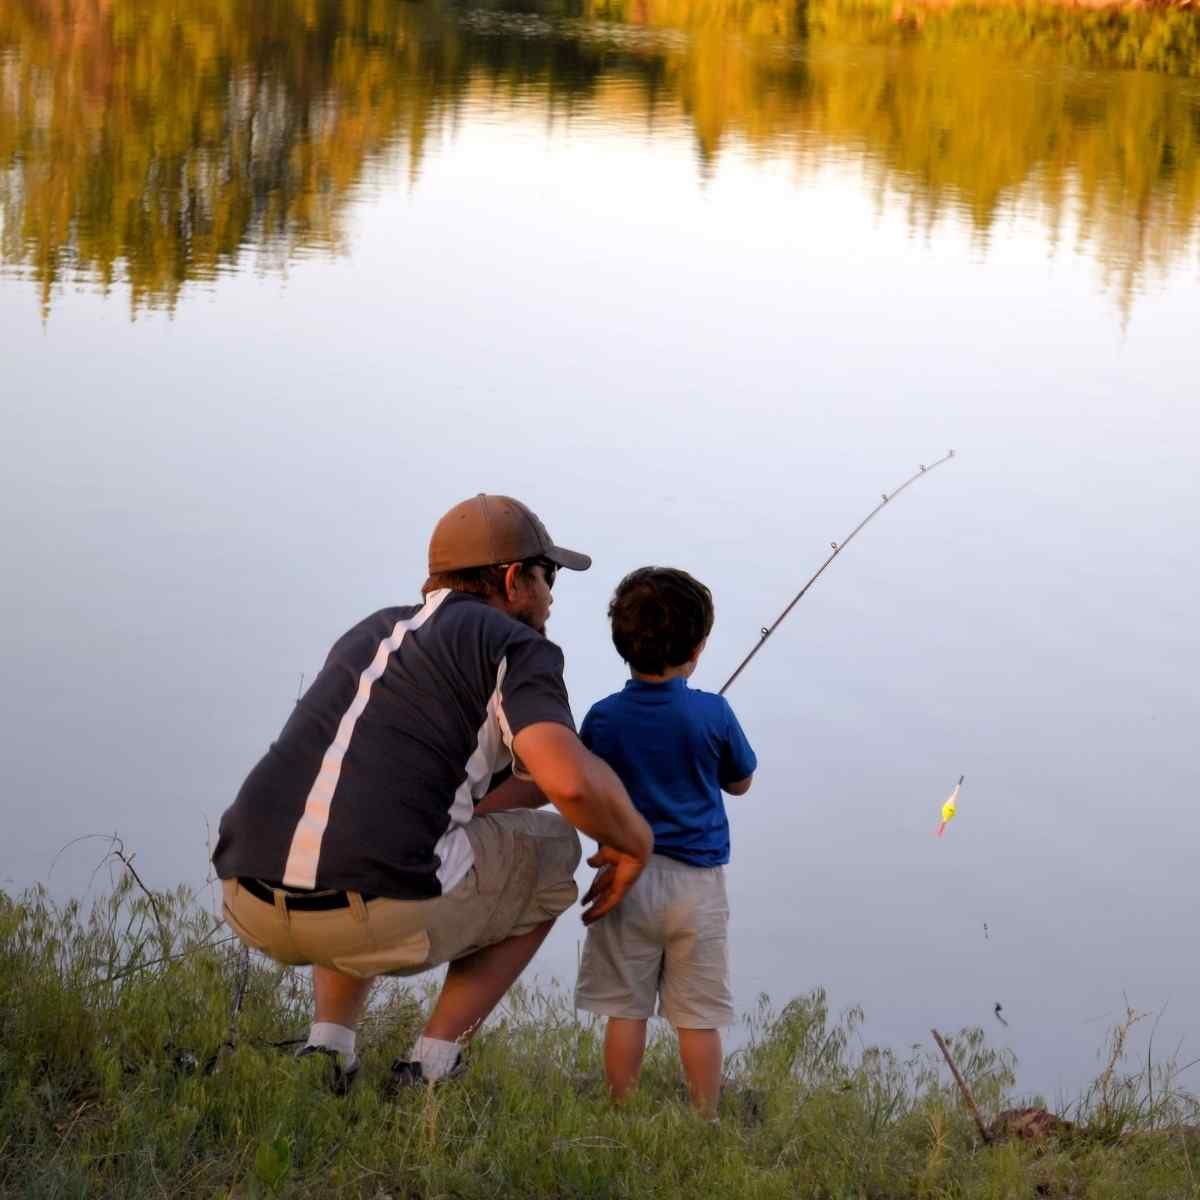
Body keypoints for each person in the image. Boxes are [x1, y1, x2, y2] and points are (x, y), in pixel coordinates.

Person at [212, 495, 653, 1093]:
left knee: (346, 823)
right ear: (512, 579)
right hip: (374, 915)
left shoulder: (370, 632)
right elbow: (568, 780)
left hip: (249, 898)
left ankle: (328, 1050)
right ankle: (432, 1064)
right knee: (554, 849)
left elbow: (504, 783)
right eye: (548, 577)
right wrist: (633, 841)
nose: (552, 595)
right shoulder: (517, 646)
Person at [574, 567, 757, 1118]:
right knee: (697, 1015)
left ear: (621, 644)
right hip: (696, 888)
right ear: (698, 649)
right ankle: (705, 1117)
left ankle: (621, 1108)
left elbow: (587, 786)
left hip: (624, 880)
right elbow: (741, 782)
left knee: (625, 1009)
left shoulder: (603, 717)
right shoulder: (713, 712)